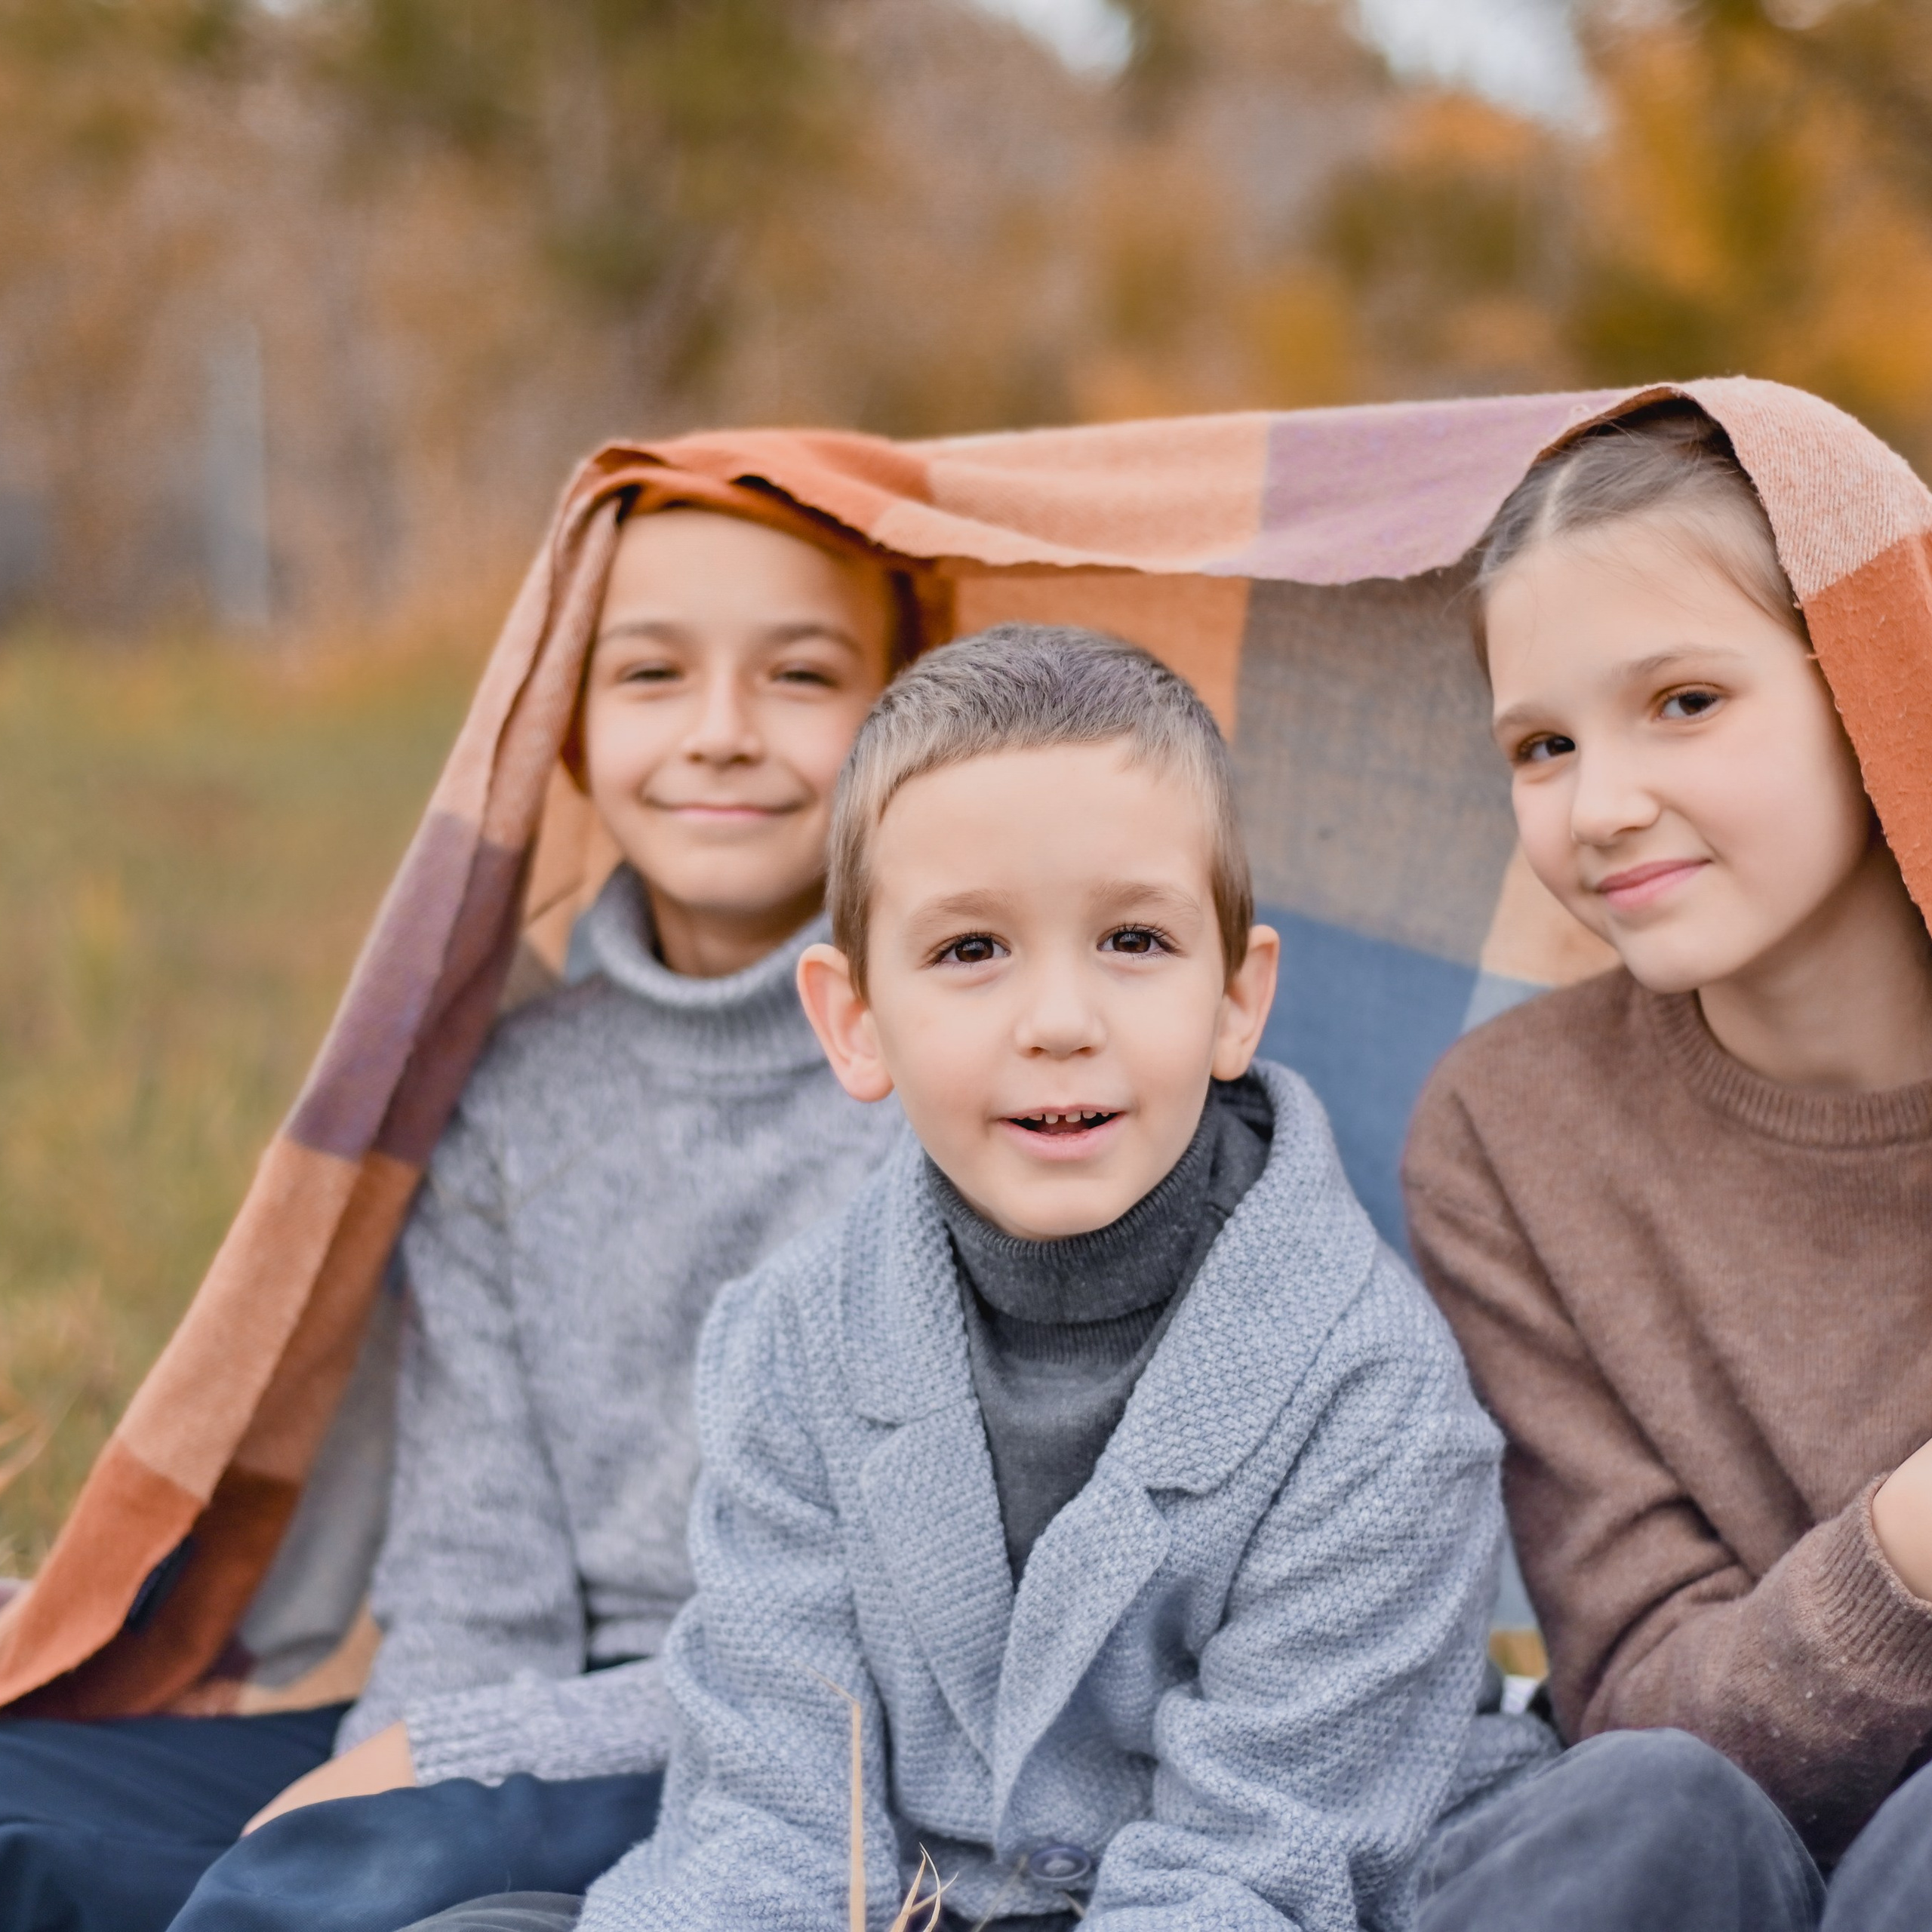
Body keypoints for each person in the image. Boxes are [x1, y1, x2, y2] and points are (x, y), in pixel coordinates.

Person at [414, 623, 1527, 1932]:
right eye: (970, 952)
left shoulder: (1373, 1399)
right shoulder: (793, 1342)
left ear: (1237, 995)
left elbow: (1256, 1876)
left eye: (1133, 941)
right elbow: (770, 1820)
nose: (1059, 1021)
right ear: (855, 1022)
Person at [0, 501, 908, 1932]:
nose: (724, 730)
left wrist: (445, 1783)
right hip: (524, 1735)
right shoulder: (510, 1088)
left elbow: (896, 1661)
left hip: (789, 1750)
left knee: (363, 1884)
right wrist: (397, 1771)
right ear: (564, 729)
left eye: (800, 676)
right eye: (652, 674)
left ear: (896, 725)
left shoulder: (967, 1087)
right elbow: (476, 1582)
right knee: (21, 1803)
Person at [1402, 401, 1932, 1931]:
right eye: (1542, 745)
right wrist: (1901, 1549)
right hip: (1699, 1843)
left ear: (1869, 682)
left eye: (1683, 700)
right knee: (1639, 1806)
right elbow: (1637, 1700)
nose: (1601, 802)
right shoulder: (1507, 1130)